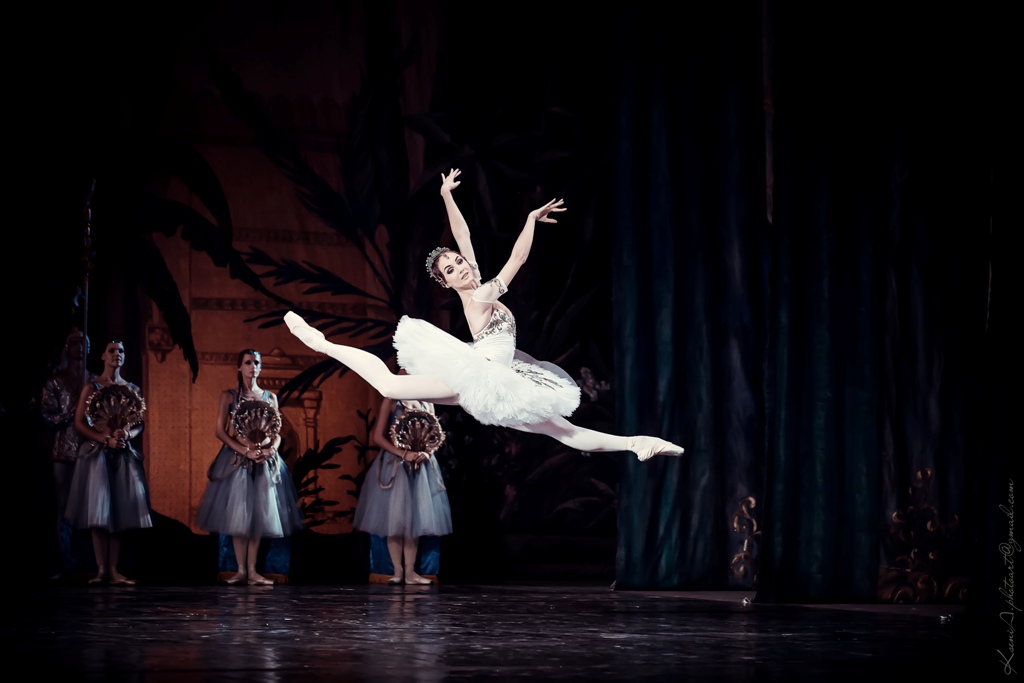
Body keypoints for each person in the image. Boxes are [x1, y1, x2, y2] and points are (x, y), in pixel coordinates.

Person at [284, 168, 685, 462]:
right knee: (389, 386)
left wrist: (446, 196)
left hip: (500, 378)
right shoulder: (480, 296)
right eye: (451, 270)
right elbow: (518, 259)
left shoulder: (475, 281)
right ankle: (323, 343)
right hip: (480, 375)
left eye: (459, 262)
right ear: (446, 283)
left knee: (565, 433)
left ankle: (636, 443)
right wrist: (529, 220)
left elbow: (463, 236)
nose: (460, 266)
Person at [195, 349, 304, 585]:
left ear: (260, 367)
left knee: (258, 516)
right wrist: (244, 451)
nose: (252, 366)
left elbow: (276, 433)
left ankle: (253, 571)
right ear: (239, 367)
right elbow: (220, 432)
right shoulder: (230, 396)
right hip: (238, 460)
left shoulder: (270, 397)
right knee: (239, 516)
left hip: (264, 460)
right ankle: (241, 570)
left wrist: (271, 450)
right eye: (247, 362)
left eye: (256, 362)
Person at [65, 339, 151, 585]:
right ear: (103, 356)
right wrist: (104, 439)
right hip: (98, 454)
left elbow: (140, 424)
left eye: (121, 351)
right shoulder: (92, 387)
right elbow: (79, 423)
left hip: (123, 453)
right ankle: (101, 569)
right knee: (99, 510)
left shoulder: (132, 389)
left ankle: (114, 570)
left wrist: (127, 434)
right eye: (112, 350)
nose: (117, 354)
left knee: (120, 510)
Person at [353, 379, 452, 585]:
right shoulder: (392, 400)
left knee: (416, 520)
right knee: (396, 519)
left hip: (421, 467)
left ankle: (410, 572)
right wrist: (403, 454)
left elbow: (434, 435)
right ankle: (397, 570)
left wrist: (427, 452)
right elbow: (378, 437)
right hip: (396, 465)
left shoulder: (427, 402)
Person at [40, 328, 94, 579]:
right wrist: (72, 413)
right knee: (64, 510)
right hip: (63, 451)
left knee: (87, 508)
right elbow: (46, 416)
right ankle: (66, 562)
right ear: (67, 347)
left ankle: (86, 562)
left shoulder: (93, 381)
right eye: (74, 343)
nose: (79, 348)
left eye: (83, 343)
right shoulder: (56, 382)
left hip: (89, 451)